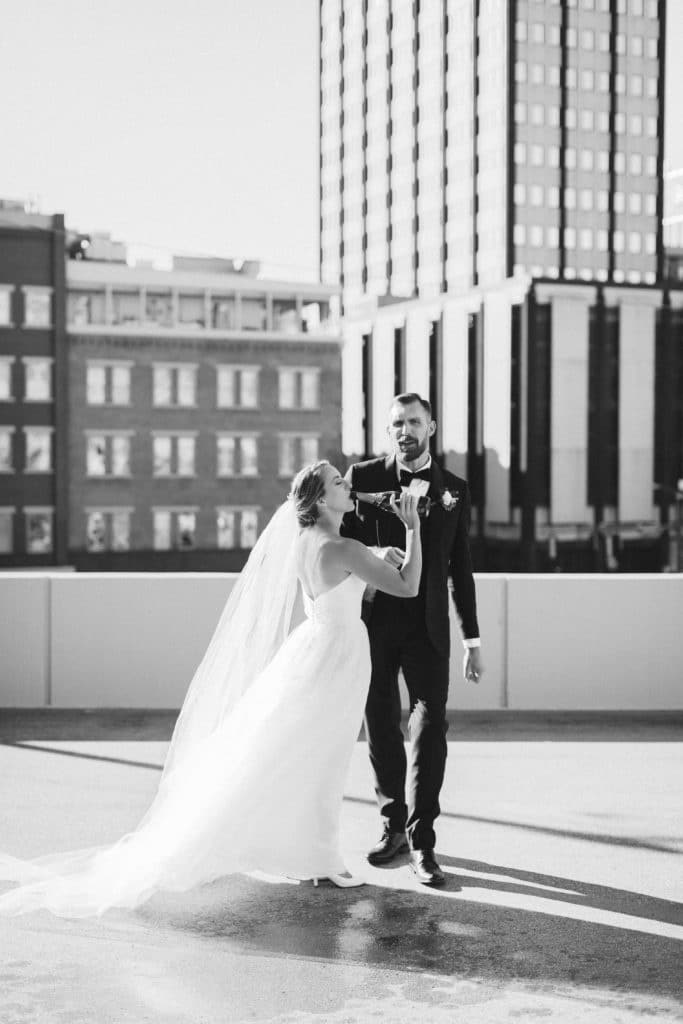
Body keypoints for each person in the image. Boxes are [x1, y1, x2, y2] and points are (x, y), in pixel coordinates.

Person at [0, 462, 422, 917]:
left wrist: (376, 553)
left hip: (314, 649)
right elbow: (407, 585)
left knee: (292, 752)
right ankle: (317, 857)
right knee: (323, 756)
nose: (347, 485)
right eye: (339, 482)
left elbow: (343, 571)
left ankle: (312, 855)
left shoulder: (308, 543)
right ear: (320, 500)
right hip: (337, 657)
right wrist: (412, 530)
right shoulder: (344, 546)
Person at [343, 392, 482, 887]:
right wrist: (374, 551)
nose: (405, 430)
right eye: (397, 423)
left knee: (429, 728)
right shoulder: (362, 479)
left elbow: (460, 568)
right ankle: (391, 825)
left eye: (414, 422)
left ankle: (423, 842)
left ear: (432, 427)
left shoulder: (455, 490)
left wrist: (473, 638)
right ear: (389, 430)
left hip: (428, 628)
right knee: (379, 724)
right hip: (374, 622)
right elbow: (340, 543)